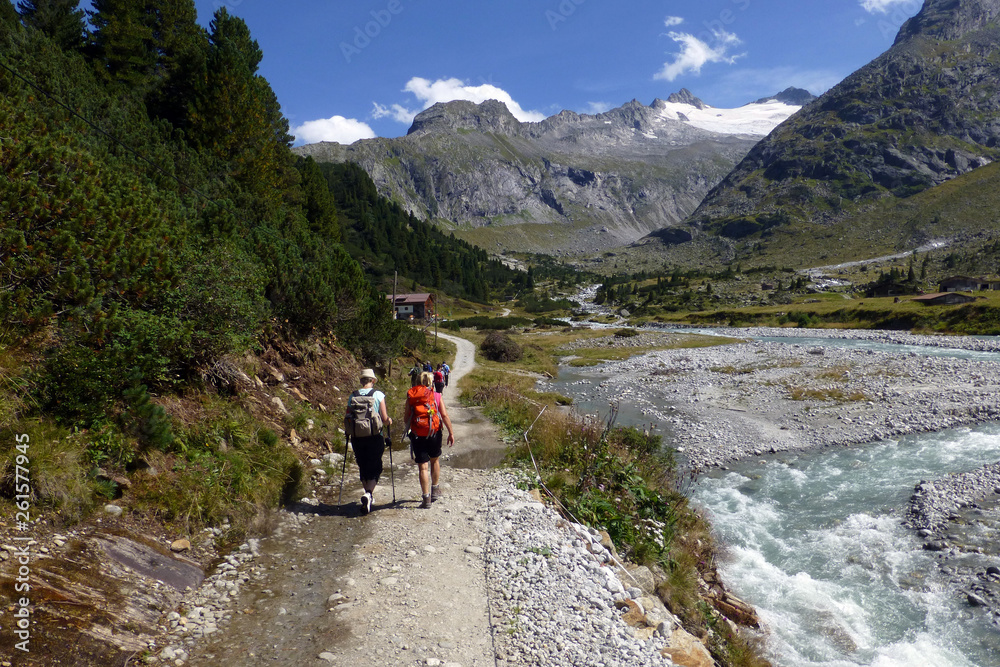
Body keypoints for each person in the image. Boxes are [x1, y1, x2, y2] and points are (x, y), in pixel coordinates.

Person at [344, 368, 392, 515]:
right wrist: (389, 421)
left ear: (361, 381)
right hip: (375, 436)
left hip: (357, 437)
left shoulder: (353, 395)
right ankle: (369, 494)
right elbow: (384, 419)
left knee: (363, 465)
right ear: (373, 381)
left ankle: (368, 496)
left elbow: (347, 417)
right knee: (376, 467)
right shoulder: (378, 395)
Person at [404, 371, 454, 509]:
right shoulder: (436, 395)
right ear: (431, 382)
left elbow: (406, 418)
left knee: (422, 467)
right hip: (434, 432)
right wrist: (451, 432)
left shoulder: (412, 396)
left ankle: (426, 498)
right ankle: (435, 490)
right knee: (435, 460)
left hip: (417, 434)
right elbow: (444, 415)